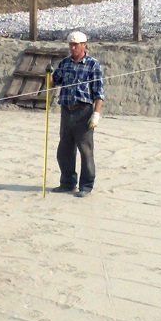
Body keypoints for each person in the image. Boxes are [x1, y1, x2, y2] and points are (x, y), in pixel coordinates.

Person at [47, 30, 105, 198]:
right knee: (64, 149)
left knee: (85, 150)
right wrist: (49, 74)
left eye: (76, 45)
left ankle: (86, 185)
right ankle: (67, 182)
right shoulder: (65, 63)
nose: (73, 48)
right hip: (66, 111)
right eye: (71, 45)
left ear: (83, 45)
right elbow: (53, 82)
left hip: (84, 111)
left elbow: (98, 92)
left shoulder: (92, 64)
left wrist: (96, 113)